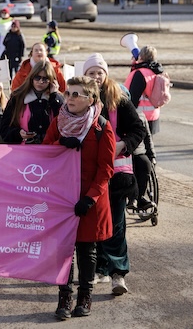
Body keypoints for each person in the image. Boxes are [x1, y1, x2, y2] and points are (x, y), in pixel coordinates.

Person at [43, 76, 114, 320]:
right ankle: (64, 296)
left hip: (89, 199)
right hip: (62, 196)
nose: (70, 98)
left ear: (90, 99)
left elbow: (106, 169)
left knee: (86, 249)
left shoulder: (101, 127)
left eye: (76, 94)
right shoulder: (58, 122)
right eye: (68, 93)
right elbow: (44, 151)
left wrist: (90, 198)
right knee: (63, 249)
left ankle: (85, 296)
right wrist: (60, 142)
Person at [82, 54, 146, 296]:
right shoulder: (79, 99)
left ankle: (118, 272)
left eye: (100, 72)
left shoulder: (118, 99)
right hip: (89, 174)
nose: (96, 77)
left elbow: (138, 129)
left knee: (116, 223)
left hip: (117, 174)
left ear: (106, 75)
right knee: (94, 222)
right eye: (91, 73)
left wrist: (123, 145)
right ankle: (100, 268)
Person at [123, 45, 164, 212]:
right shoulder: (156, 71)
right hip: (153, 115)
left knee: (139, 154)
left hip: (138, 116)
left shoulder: (140, 73)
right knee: (146, 148)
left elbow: (132, 96)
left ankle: (136, 194)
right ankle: (139, 193)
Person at [0, 59, 64, 145]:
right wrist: (18, 134)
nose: (41, 82)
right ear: (32, 77)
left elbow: (64, 123)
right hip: (23, 149)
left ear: (52, 81)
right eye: (37, 78)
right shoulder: (17, 97)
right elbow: (4, 128)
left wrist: (54, 96)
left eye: (45, 79)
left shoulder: (57, 99)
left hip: (49, 148)